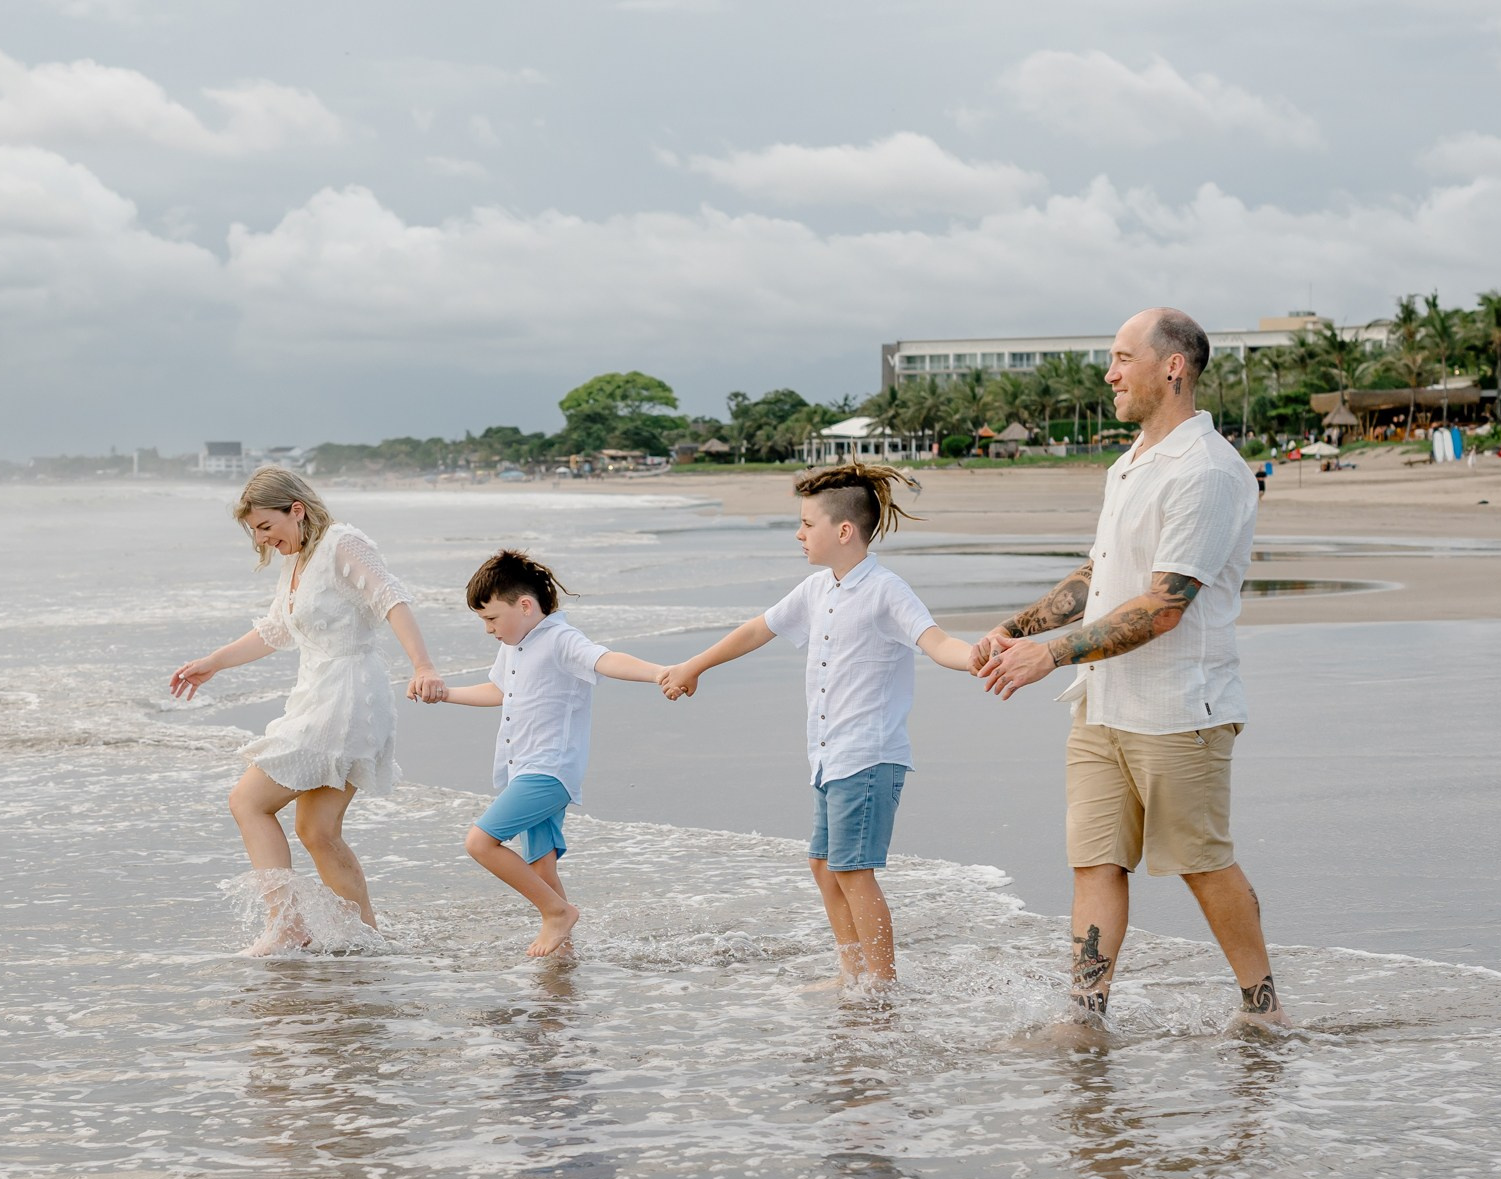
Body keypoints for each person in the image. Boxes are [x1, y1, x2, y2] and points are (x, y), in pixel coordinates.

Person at [973, 308, 1288, 1027]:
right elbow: (1101, 572)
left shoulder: (1207, 471)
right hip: (1104, 704)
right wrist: (1017, 628)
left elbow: (1165, 604)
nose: (1110, 374)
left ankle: (1263, 1007)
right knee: (1095, 862)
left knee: (1202, 864)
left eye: (1121, 358)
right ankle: (1086, 1014)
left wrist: (1048, 653)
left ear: (1172, 366)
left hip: (1181, 709)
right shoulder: (1131, 462)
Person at [660, 463, 975, 990]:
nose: (799, 534)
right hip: (829, 755)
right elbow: (757, 629)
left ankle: (882, 983)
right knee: (824, 866)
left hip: (869, 755)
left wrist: (980, 656)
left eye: (808, 524)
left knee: (853, 871)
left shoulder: (886, 590)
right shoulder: (816, 589)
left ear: (843, 531)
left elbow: (938, 642)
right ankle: (851, 972)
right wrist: (695, 665)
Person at [171, 466, 447, 952]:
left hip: (346, 696)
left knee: (248, 801)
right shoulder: (295, 563)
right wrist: (213, 663)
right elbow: (275, 632)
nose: (261, 538)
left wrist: (423, 665)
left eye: (264, 525)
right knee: (316, 830)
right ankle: (365, 940)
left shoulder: (343, 542)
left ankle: (287, 925)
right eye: (254, 530)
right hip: (319, 693)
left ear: (295, 509)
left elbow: (391, 598)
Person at [428, 550, 667, 957]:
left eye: (491, 618)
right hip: (522, 770)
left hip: (548, 772)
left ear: (525, 605)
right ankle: (564, 951)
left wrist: (659, 672)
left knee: (480, 843)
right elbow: (499, 693)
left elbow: (606, 660)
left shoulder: (560, 639)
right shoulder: (516, 644)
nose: (488, 629)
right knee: (541, 865)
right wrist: (445, 694)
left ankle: (557, 913)